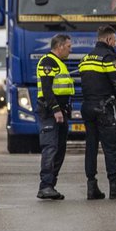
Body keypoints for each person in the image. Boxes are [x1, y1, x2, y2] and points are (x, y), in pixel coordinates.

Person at [78, 25, 116, 199]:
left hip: (87, 107)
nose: (115, 44)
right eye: (114, 40)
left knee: (91, 147)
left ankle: (91, 186)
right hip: (103, 107)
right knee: (110, 147)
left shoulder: (86, 58)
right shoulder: (108, 56)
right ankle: (115, 185)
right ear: (108, 39)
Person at [35, 34, 74, 200]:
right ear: (59, 46)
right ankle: (45, 186)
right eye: (68, 47)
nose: (70, 50)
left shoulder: (59, 63)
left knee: (60, 150)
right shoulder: (48, 62)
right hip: (51, 113)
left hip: (61, 112)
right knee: (50, 148)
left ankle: (51, 185)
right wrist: (56, 109)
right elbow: (47, 89)